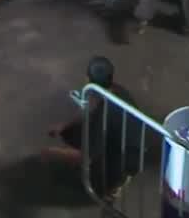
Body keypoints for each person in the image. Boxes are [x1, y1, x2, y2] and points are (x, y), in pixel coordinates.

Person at [44, 57, 140, 198]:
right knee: (72, 133)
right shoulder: (117, 91)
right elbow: (89, 110)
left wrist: (55, 154)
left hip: (122, 162)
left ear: (88, 79)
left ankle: (113, 186)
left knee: (90, 176)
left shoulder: (103, 116)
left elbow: (87, 156)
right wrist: (63, 126)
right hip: (131, 147)